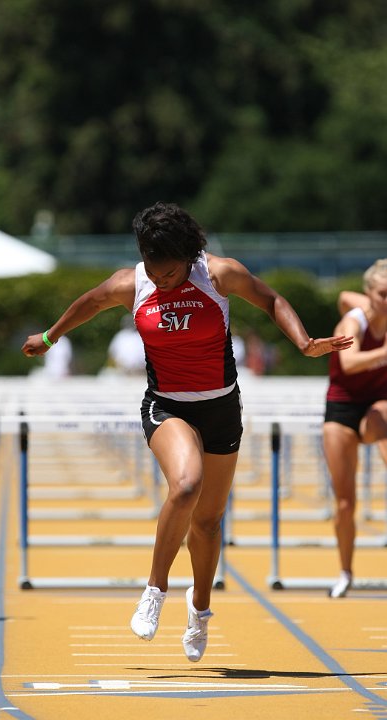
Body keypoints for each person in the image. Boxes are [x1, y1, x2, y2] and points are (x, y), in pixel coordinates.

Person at [21, 201, 352, 661]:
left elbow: (271, 299)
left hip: (220, 407)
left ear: (189, 254)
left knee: (209, 520)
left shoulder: (219, 274)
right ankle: (154, 590)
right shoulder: (131, 283)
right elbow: (90, 302)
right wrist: (50, 336)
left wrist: (304, 342)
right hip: (167, 405)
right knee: (186, 485)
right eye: (155, 274)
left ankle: (199, 610)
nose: (162, 282)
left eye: (171, 274)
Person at [323, 259, 387, 598]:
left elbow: (347, 294)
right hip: (342, 407)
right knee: (346, 503)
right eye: (383, 294)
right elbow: (348, 361)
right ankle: (345, 572)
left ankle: (373, 436)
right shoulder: (354, 320)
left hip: (378, 403)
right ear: (371, 295)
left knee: (383, 414)